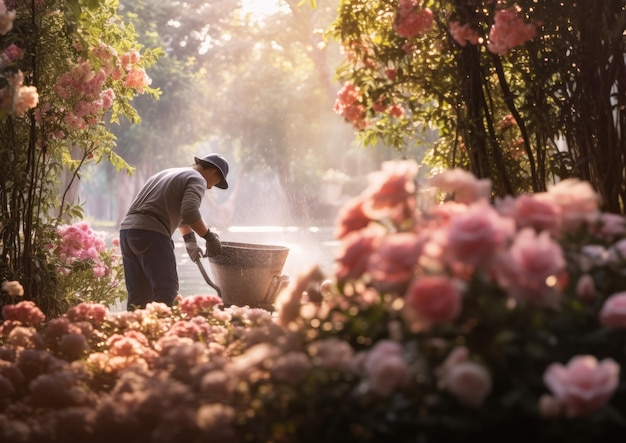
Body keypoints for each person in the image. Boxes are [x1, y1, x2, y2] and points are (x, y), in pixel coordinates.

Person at [119, 153, 229, 310]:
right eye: (215, 182)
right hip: (152, 234)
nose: (210, 187)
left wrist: (190, 241)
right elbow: (190, 211)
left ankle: (135, 333)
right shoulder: (198, 179)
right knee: (166, 293)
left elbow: (179, 214)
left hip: (128, 232)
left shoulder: (167, 173)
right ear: (213, 171)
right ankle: (164, 333)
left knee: (138, 297)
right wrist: (209, 237)